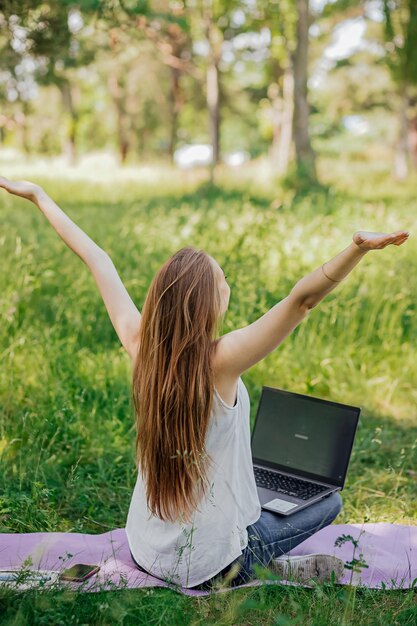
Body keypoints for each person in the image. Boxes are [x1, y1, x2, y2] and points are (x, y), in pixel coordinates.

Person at [0, 176, 410, 591]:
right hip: (212, 568)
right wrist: (357, 248)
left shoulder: (142, 348)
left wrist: (39, 196)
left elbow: (97, 258)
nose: (228, 285)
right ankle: (263, 566)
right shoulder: (220, 362)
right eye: (223, 280)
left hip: (146, 550)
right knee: (330, 500)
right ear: (207, 303)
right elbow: (301, 301)